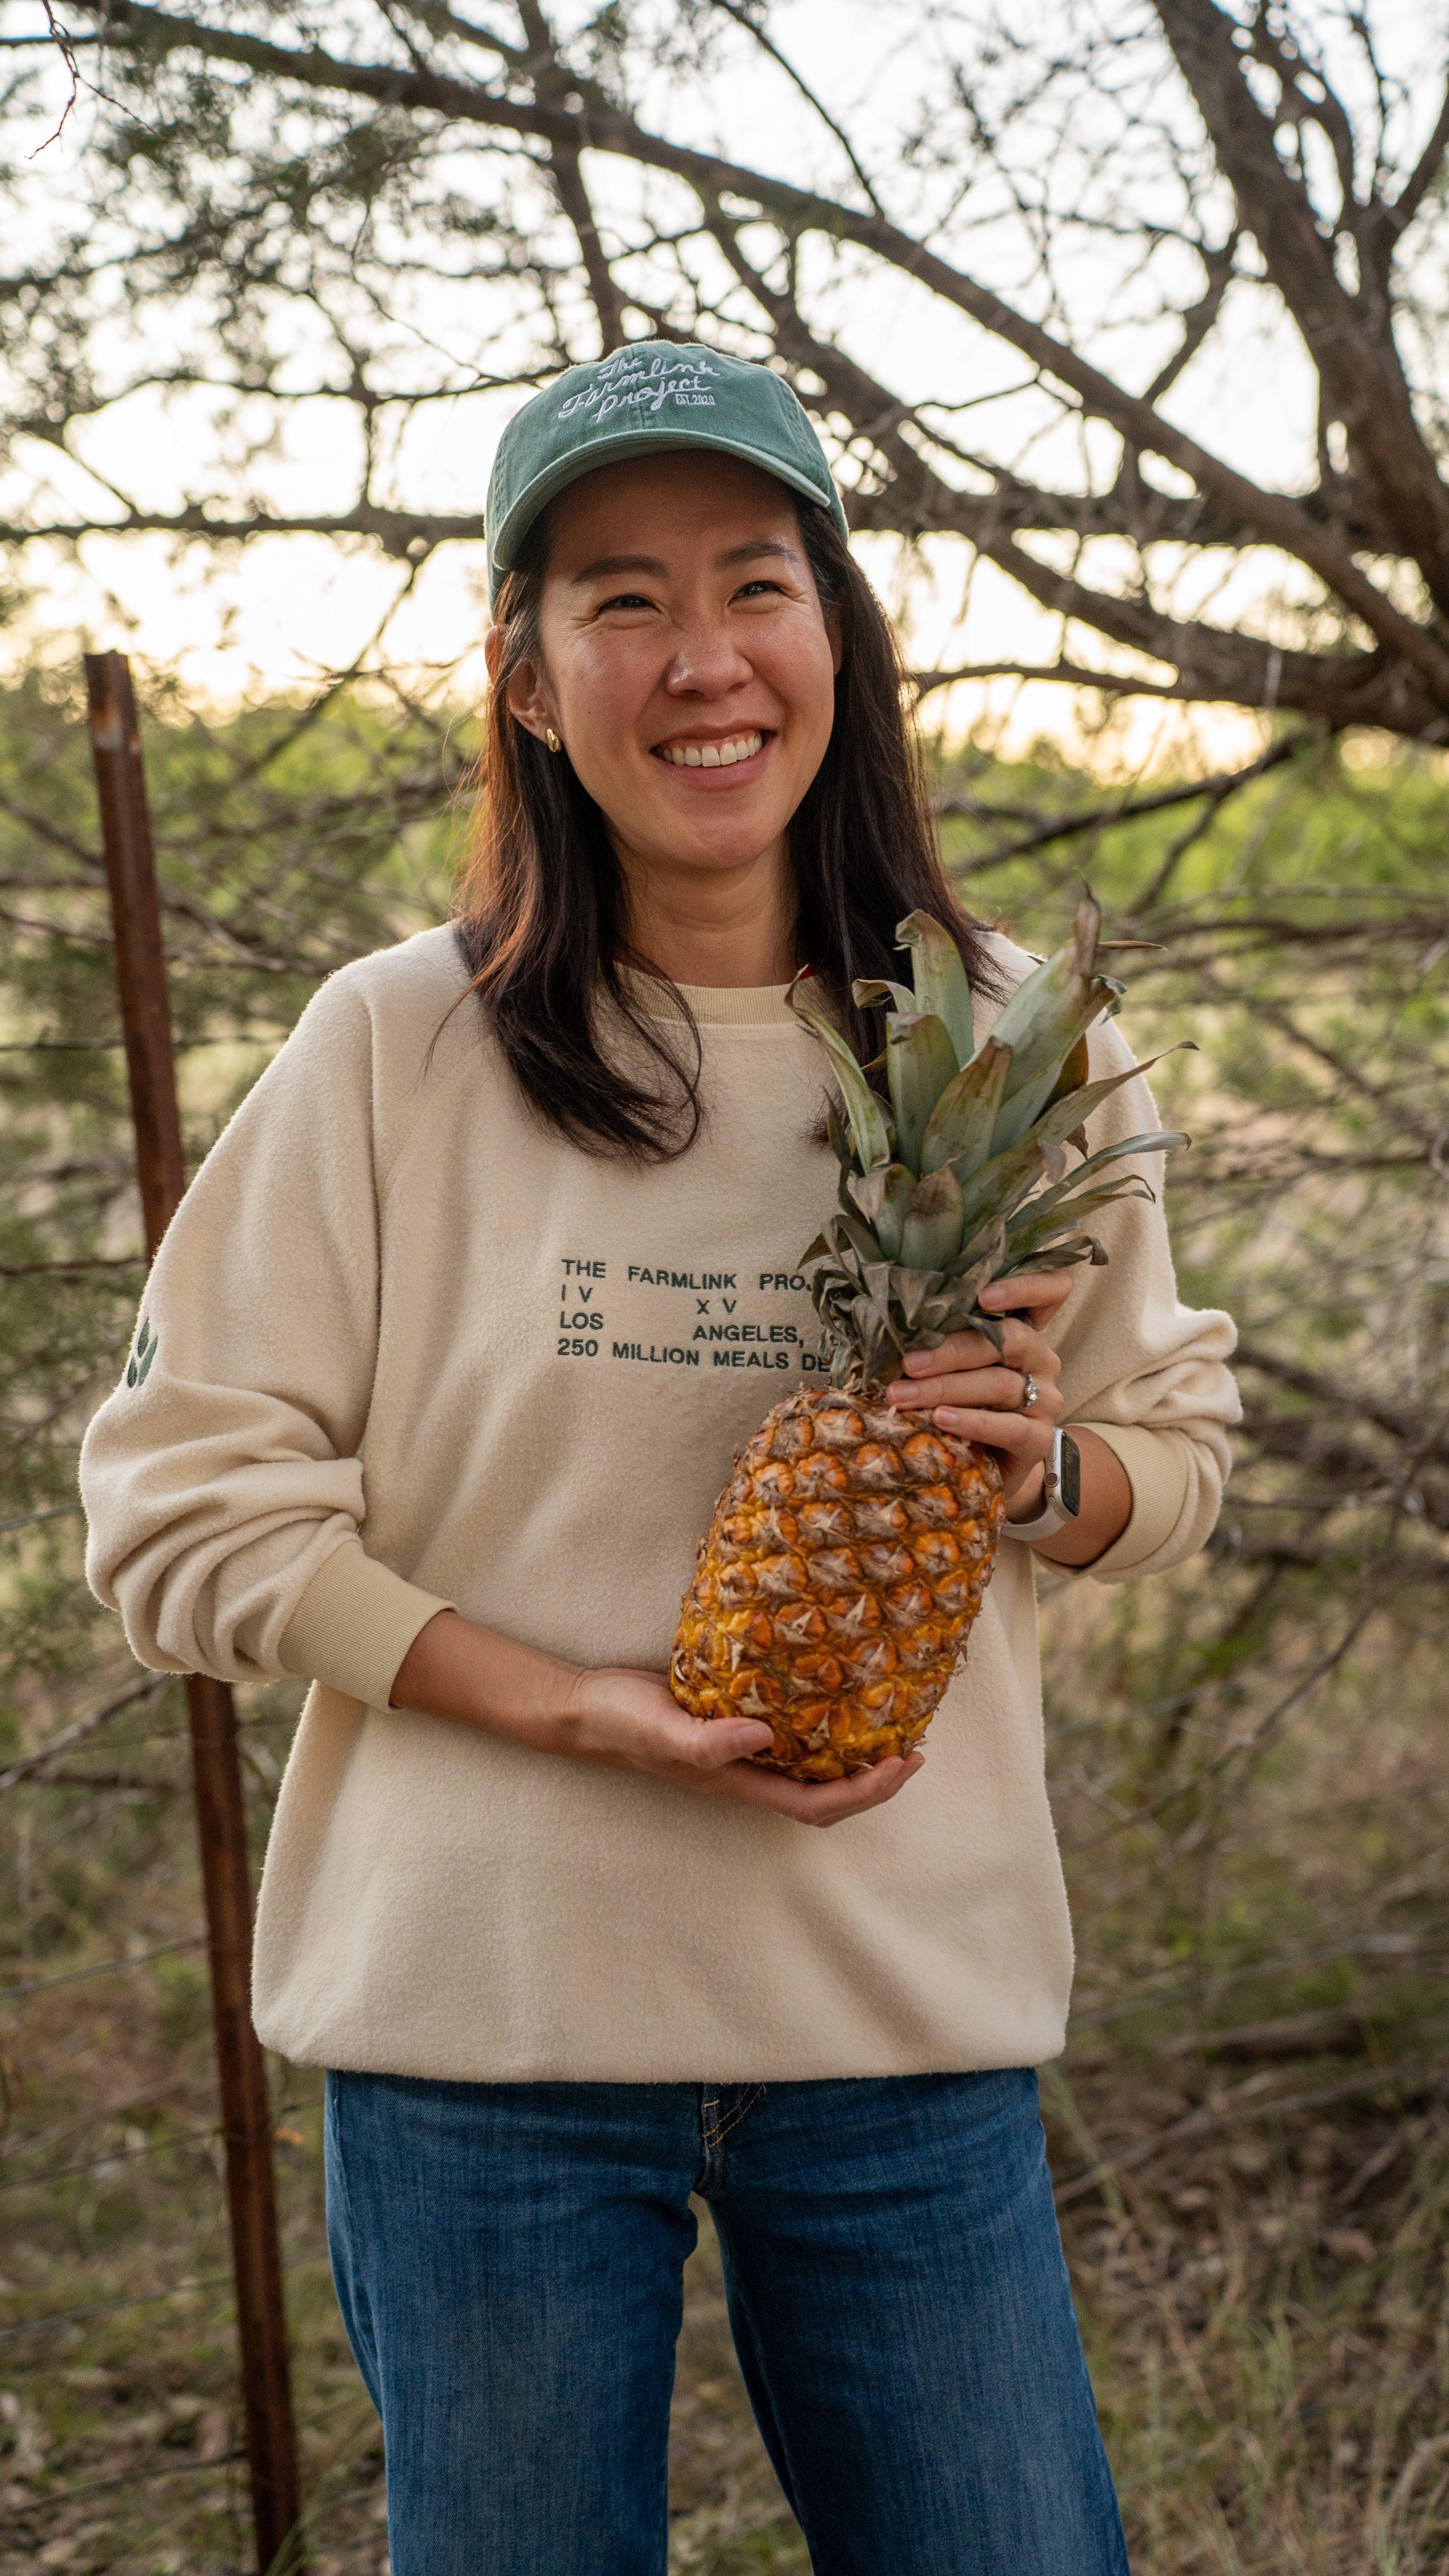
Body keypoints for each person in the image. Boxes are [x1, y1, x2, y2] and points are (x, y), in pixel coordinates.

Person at [81, 340, 1238, 2576]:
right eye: (619, 598)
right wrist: (582, 1707)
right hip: (482, 2039)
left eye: (755, 582)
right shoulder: (395, 1047)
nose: (701, 660)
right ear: (525, 674)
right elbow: (180, 1511)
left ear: (837, 635)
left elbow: (1173, 1451)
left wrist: (1040, 1475)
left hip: (899, 2023)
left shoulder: (1018, 1039)